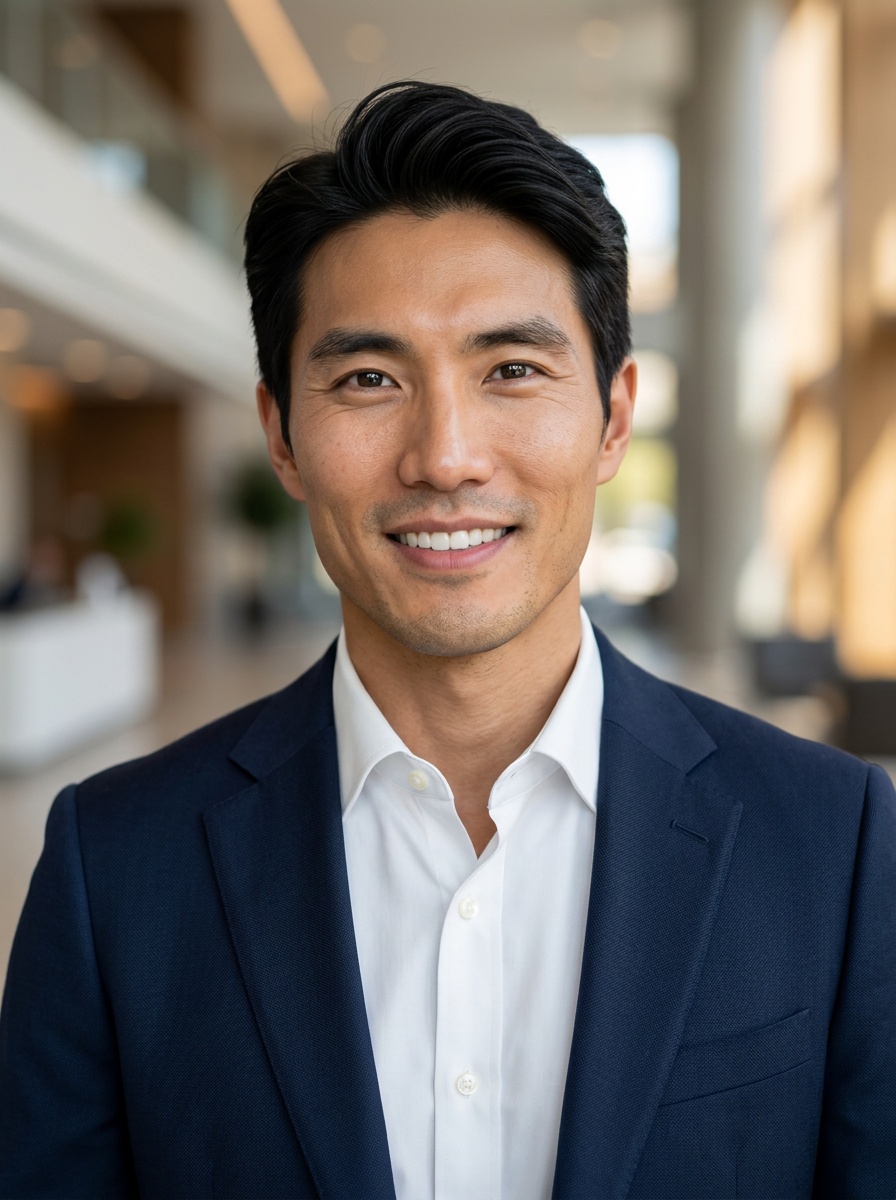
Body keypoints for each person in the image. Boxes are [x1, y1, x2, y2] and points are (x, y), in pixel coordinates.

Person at [0, 81, 893, 1200]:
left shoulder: (832, 845)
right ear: (281, 434)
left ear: (613, 416)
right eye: (368, 378)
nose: (445, 456)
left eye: (510, 369)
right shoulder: (116, 866)